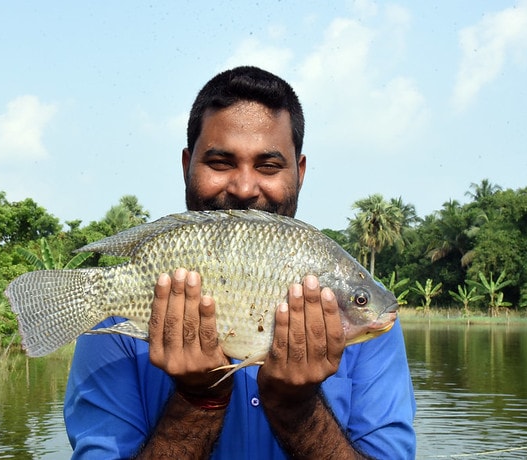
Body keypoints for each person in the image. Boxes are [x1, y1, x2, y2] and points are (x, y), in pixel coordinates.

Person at [64, 66, 416, 459]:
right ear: (187, 166)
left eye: (268, 166)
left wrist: (296, 408)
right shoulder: (107, 319)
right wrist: (199, 402)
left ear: (299, 173)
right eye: (220, 162)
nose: (245, 188)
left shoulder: (369, 330)